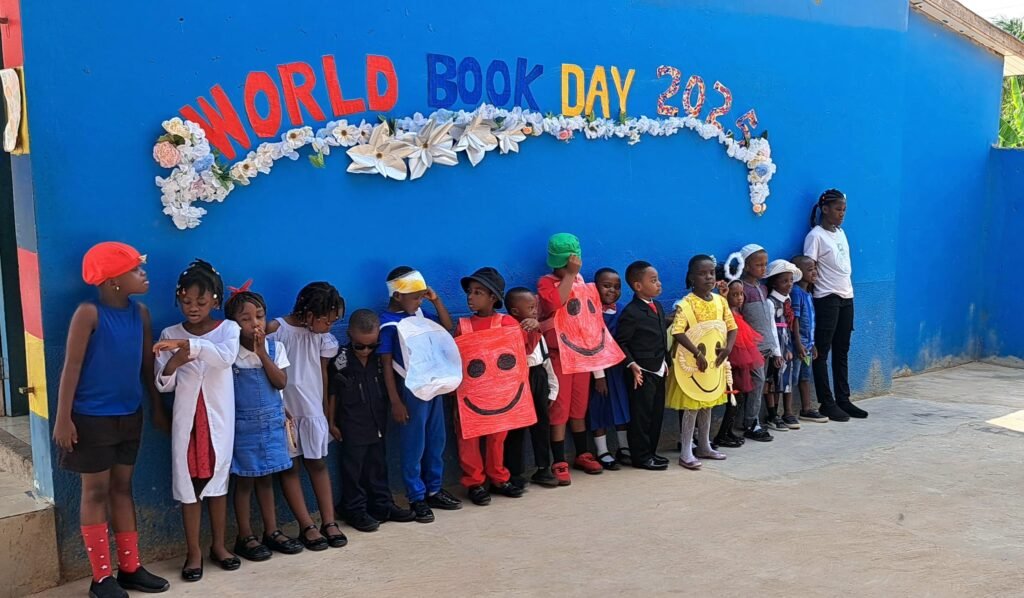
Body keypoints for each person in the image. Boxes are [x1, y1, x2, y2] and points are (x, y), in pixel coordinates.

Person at [54, 242, 169, 598]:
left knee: (123, 488)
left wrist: (156, 407)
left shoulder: (142, 314)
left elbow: (146, 367)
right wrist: (63, 419)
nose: (143, 274)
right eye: (135, 270)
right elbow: (71, 367)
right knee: (96, 491)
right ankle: (101, 578)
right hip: (91, 420)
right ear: (112, 281)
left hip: (129, 416)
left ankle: (130, 568)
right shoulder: (89, 314)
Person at [154, 259, 241, 582]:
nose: (193, 308)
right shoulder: (169, 334)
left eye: (201, 302)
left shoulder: (229, 329)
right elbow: (164, 383)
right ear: (178, 299)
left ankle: (219, 545)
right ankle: (193, 551)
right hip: (188, 423)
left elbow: (225, 358)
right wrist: (176, 359)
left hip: (217, 419)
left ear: (215, 301)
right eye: (186, 301)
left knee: (217, 483)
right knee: (188, 485)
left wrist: (189, 346)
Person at [223, 283, 304, 562]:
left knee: (267, 477)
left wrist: (261, 354)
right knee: (244, 481)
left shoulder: (274, 347)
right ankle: (245, 535)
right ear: (232, 325)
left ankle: (272, 530)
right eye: (245, 319)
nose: (254, 323)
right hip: (242, 427)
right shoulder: (229, 353)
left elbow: (280, 381)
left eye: (258, 316)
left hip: (271, 424)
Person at [267, 283, 347, 550]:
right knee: (291, 467)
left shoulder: (321, 337)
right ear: (309, 312)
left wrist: (324, 411)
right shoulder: (277, 330)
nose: (330, 326)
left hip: (311, 407)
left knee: (318, 462)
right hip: (285, 408)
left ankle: (329, 521)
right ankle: (306, 525)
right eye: (327, 320)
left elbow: (323, 373)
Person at [379, 266, 462, 523]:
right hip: (410, 391)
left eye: (422, 296)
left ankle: (434, 488)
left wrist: (435, 302)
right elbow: (386, 363)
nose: (419, 301)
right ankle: (416, 496)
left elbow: (447, 327)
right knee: (413, 444)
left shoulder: (419, 314)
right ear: (397, 296)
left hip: (433, 386)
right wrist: (395, 400)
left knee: (436, 439)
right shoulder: (387, 324)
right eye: (415, 296)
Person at [328, 309, 416, 532]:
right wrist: (331, 422)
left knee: (378, 465)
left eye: (372, 345)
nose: (366, 351)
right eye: (360, 346)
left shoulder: (379, 360)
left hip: (377, 422)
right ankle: (354, 509)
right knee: (353, 469)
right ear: (349, 335)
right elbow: (332, 394)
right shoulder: (341, 360)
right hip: (351, 424)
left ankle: (382, 505)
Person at [536, 233, 606, 484]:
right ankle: (558, 460)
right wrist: (568, 276)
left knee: (579, 407)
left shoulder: (582, 282)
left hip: (581, 356)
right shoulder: (546, 282)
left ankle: (583, 453)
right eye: (566, 265)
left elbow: (591, 322)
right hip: (559, 357)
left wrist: (598, 370)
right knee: (560, 408)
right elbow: (555, 303)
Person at [454, 267, 526, 505]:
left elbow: (521, 354)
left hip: (500, 394)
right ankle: (474, 482)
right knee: (469, 438)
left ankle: (498, 476)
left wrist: (533, 327)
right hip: (470, 394)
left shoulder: (507, 323)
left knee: (498, 435)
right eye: (470, 292)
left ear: (493, 298)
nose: (471, 297)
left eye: (478, 292)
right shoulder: (463, 326)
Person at [667, 255, 737, 469]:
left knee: (707, 404)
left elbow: (732, 326)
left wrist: (728, 348)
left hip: (713, 362)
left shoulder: (720, 301)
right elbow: (678, 331)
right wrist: (696, 353)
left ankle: (705, 445)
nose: (708, 277)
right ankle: (687, 450)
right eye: (702, 273)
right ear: (691, 278)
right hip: (693, 363)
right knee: (692, 406)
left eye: (711, 273)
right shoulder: (686, 304)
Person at [805, 189, 866, 419]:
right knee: (822, 351)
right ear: (825, 209)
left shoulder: (840, 233)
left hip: (846, 296)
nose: (842, 214)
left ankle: (843, 398)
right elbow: (809, 269)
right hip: (826, 297)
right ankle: (826, 402)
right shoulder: (815, 236)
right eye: (838, 209)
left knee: (842, 350)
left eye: (844, 210)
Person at [614, 260, 668, 471]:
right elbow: (621, 342)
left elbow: (662, 337)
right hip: (642, 372)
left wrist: (667, 361)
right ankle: (641, 456)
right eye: (653, 281)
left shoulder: (658, 306)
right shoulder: (631, 312)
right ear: (638, 286)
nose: (659, 284)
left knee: (656, 414)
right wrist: (632, 364)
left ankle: (651, 452)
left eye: (658, 280)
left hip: (659, 367)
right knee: (641, 416)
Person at [503, 287, 559, 488]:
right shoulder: (507, 330)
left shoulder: (538, 332)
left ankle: (544, 468)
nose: (535, 311)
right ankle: (514, 471)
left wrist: (553, 387)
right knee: (516, 428)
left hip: (538, 377)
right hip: (517, 379)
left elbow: (545, 360)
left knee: (541, 424)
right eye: (530, 308)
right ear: (515, 312)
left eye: (536, 307)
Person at [588, 268, 631, 469]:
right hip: (599, 370)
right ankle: (602, 451)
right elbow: (591, 343)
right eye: (606, 286)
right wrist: (599, 376)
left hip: (618, 368)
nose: (612, 290)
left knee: (622, 406)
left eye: (617, 286)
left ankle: (624, 447)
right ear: (595, 288)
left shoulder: (623, 309)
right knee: (600, 409)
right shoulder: (590, 312)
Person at [714, 280, 764, 448]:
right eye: (734, 294)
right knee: (733, 397)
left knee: (738, 398)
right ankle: (722, 435)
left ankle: (728, 432)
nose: (740, 298)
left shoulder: (738, 313)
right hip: (733, 361)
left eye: (741, 294)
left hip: (740, 361)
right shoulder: (725, 311)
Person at [737, 244, 779, 442]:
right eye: (758, 265)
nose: (763, 268)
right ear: (746, 266)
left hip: (765, 346)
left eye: (765, 264)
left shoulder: (762, 288)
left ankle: (751, 419)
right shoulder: (740, 289)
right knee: (756, 381)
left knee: (760, 383)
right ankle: (751, 422)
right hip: (750, 347)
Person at [790, 256, 828, 423]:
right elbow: (795, 320)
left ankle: (806, 409)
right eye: (810, 269)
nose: (814, 272)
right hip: (798, 346)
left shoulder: (808, 293)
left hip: (807, 345)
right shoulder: (796, 293)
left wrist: (812, 344)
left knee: (805, 376)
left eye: (815, 268)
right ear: (798, 272)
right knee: (792, 378)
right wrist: (798, 344)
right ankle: (788, 412)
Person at [763, 260, 801, 431]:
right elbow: (771, 327)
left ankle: (784, 412)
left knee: (784, 378)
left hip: (787, 344)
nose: (789, 285)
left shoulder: (788, 300)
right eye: (784, 281)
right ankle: (772, 414)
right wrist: (776, 352)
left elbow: (791, 324)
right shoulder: (770, 302)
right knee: (772, 378)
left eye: (791, 281)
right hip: (776, 344)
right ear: (773, 283)